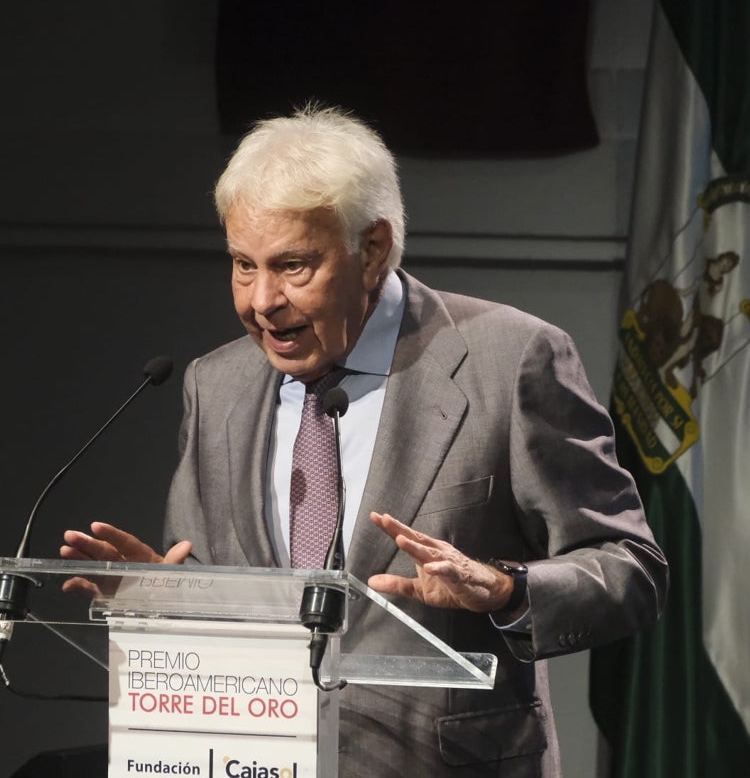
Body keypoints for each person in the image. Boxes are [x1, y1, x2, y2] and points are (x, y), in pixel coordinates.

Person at [62, 106, 668, 777]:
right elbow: (221, 600)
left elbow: (629, 569)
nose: (261, 300)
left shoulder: (511, 360)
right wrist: (164, 601)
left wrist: (506, 588)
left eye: (293, 266)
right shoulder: (218, 386)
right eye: (242, 264)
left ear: (373, 249)